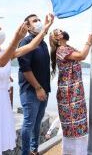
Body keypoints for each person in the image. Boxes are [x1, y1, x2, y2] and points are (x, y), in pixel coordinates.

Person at [0, 14, 53, 155]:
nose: (1, 31)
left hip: (2, 99)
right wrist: (16, 38)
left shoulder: (6, 52)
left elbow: (31, 45)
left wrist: (46, 28)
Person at [49, 29, 92, 155]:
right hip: (70, 93)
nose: (63, 31)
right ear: (57, 38)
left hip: (73, 91)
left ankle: (75, 152)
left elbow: (80, 54)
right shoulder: (62, 50)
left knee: (75, 124)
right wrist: (89, 41)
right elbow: (81, 56)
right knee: (74, 124)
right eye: (59, 32)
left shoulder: (67, 47)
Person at [17, 14, 54, 155]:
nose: (38, 22)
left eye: (39, 20)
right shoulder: (26, 42)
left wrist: (47, 25)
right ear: (27, 26)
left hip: (44, 90)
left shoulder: (42, 42)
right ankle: (25, 152)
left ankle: (34, 150)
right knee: (29, 123)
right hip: (31, 91)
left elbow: (43, 34)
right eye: (35, 21)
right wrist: (38, 88)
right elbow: (25, 68)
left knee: (37, 122)